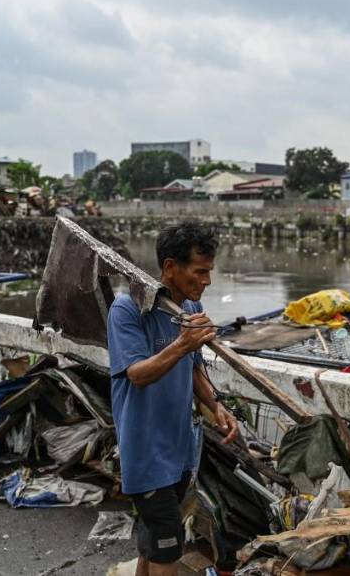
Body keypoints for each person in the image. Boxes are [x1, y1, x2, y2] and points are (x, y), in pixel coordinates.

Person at [106, 221, 239, 576]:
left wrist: (216, 406)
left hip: (179, 450)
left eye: (209, 271)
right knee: (168, 549)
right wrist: (182, 344)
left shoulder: (190, 308)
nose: (206, 281)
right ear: (169, 267)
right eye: (199, 271)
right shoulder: (129, 309)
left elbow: (194, 370)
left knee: (153, 543)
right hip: (146, 455)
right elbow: (137, 374)